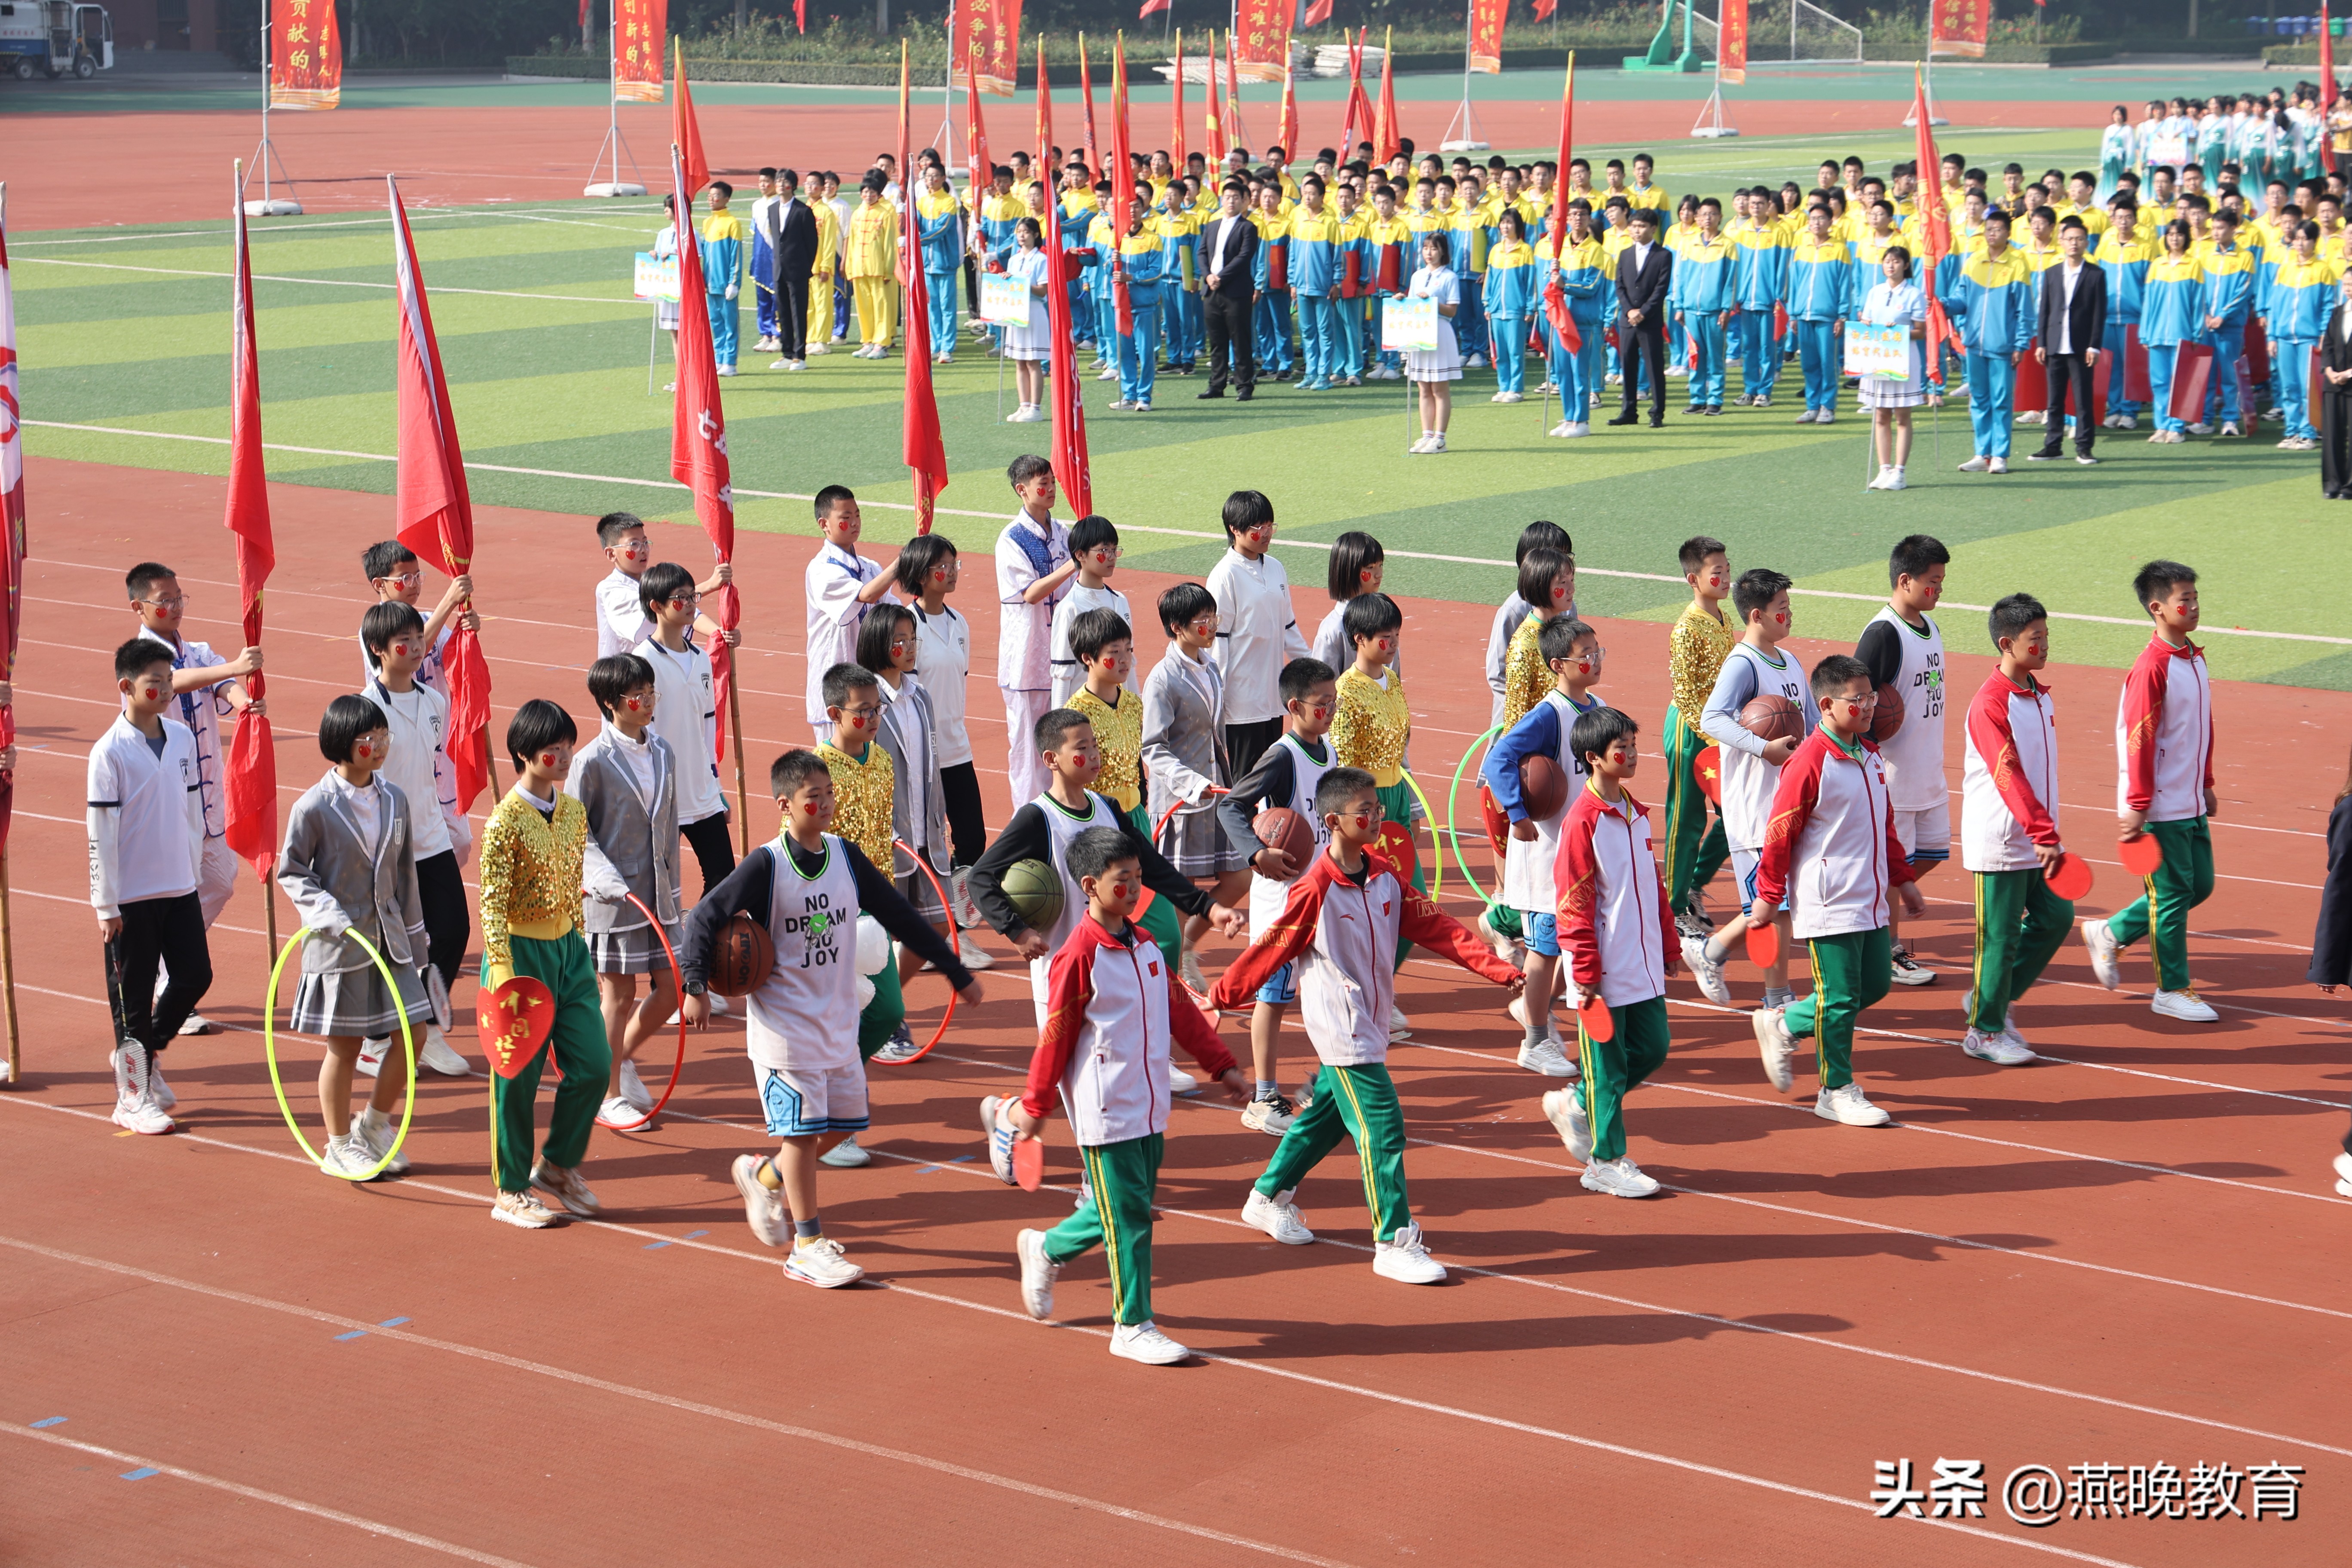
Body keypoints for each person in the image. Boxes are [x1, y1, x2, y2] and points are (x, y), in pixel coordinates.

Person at [1214, 767, 1525, 1283]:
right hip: (1342, 1027)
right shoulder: (1314, 889)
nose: (1377, 817)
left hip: (1373, 1023)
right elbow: (1271, 950)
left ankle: (1267, 1196)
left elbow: (1440, 928)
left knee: (1326, 1119)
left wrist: (1501, 970)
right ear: (1334, 821)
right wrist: (1221, 997)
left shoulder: (1384, 876)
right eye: (1366, 811)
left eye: (1378, 808)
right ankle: (1394, 1241)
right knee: (1383, 1125)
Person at [692, 749, 977, 1287]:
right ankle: (807, 1246)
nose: (825, 804)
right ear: (785, 804)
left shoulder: (846, 857)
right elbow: (706, 916)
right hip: (784, 1026)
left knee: (844, 1126)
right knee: (803, 1136)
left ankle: (764, 1176)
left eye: (829, 795)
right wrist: (694, 985)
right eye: (813, 797)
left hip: (837, 1019)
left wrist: (954, 970)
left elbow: (900, 915)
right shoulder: (766, 865)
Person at [992, 826, 1246, 1364]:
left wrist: (1222, 1065)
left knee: (1125, 1207)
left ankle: (1046, 1247)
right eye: (1122, 880)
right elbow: (1055, 1038)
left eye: (1137, 877)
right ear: (1090, 886)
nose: (1133, 889)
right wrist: (1036, 1107)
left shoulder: (1147, 947)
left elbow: (1182, 1013)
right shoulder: (1078, 956)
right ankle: (1132, 1325)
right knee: (1130, 1219)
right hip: (1106, 1108)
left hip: (1150, 1106)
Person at [968, 708, 1241, 1029]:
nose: (1094, 755)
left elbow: (1154, 867)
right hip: (1063, 973)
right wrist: (1017, 931)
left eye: (1095, 745)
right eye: (1082, 748)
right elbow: (980, 877)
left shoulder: (1108, 809)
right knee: (1067, 1062)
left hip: (1113, 967)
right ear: (1052, 759)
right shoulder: (1037, 819)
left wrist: (1209, 908)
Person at [1749, 656, 1927, 1128]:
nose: (1869, 706)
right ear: (1827, 705)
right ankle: (1836, 1089)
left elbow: (1885, 826)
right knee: (1841, 997)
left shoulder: (1870, 755)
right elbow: (1780, 831)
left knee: (1875, 985)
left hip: (1870, 897)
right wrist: (1768, 894)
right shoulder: (1811, 761)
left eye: (1871, 696)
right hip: (1829, 900)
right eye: (1858, 699)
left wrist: (1904, 879)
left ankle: (1784, 1023)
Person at [278, 695, 438, 1180]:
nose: (380, 747)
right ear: (342, 744)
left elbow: (405, 876)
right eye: (370, 739)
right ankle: (339, 1145)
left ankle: (373, 1127)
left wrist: (418, 942)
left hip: (390, 940)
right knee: (345, 1048)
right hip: (340, 945)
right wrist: (326, 912)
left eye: (384, 736)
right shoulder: (314, 806)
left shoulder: (395, 800)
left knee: (414, 1034)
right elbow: (292, 871)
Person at [477, 701, 610, 1229]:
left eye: (568, 745)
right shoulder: (504, 821)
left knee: (595, 1066)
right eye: (552, 748)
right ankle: (510, 1189)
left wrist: (582, 944)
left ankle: (557, 1166)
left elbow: (573, 884)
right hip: (520, 955)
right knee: (517, 1079)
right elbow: (491, 901)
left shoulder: (574, 813)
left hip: (569, 951)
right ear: (524, 754)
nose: (564, 755)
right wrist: (502, 967)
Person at [1547, 705, 1680, 1197]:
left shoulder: (1636, 815)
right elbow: (1573, 903)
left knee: (1653, 1048)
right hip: (1600, 971)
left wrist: (1669, 944)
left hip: (1641, 963)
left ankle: (1578, 1102)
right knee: (1608, 1067)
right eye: (1621, 748)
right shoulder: (1583, 822)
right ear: (1594, 758)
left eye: (1634, 744)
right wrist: (1584, 971)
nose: (1633, 754)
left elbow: (1653, 889)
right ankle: (1605, 1162)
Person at [2082, 560, 2219, 1023]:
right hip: (2160, 805)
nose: (2194, 606)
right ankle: (2172, 989)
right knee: (2174, 895)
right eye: (2185, 600)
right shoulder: (2152, 668)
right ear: (2158, 608)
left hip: (2190, 798)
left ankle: (2111, 932)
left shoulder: (2193, 657)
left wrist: (2206, 782)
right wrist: (2139, 805)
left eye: (2196, 598)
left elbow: (2201, 727)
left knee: (2198, 885)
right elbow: (2137, 739)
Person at [126, 561, 256, 1038]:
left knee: (220, 878)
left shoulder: (198, 651)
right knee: (177, 890)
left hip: (207, 796)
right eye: (165, 601)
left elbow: (222, 686)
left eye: (179, 598)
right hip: (164, 799)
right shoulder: (140, 657)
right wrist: (233, 668)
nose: (175, 607)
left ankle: (170, 967)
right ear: (139, 607)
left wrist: (243, 701)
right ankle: (171, 983)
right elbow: (174, 683)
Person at [89, 638, 211, 1135]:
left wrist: (193, 868)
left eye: (169, 680)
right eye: (154, 682)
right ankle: (132, 1098)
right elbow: (100, 833)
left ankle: (144, 1053)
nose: (166, 689)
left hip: (179, 886)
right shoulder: (109, 752)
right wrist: (105, 903)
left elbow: (191, 808)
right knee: (133, 1001)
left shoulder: (181, 738)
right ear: (127, 687)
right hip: (131, 898)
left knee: (195, 976)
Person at [1482, 616, 1608, 1079]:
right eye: (1585, 654)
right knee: (1546, 950)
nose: (1595, 660)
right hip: (1547, 854)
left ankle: (1536, 1010)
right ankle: (1535, 1042)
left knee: (1583, 942)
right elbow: (1499, 758)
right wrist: (1518, 814)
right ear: (1559, 665)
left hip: (1586, 851)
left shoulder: (1599, 708)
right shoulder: (1549, 715)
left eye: (1598, 650)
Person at [356, 602, 474, 1079]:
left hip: (429, 835)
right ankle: (374, 1042)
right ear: (378, 650)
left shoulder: (434, 702)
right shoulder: (367, 709)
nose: (414, 646)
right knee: (389, 945)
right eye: (402, 641)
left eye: (418, 638)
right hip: (383, 844)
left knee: (453, 931)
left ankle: (424, 1029)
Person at [1687, 570, 1815, 1011]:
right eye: (1782, 610)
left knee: (1780, 903)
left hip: (1790, 803)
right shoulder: (1743, 663)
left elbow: (1812, 724)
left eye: (1789, 608)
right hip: (1756, 809)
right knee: (1773, 906)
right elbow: (1712, 718)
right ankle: (1777, 999)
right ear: (1757, 615)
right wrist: (1764, 748)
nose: (1789, 616)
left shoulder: (1791, 661)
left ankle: (1711, 951)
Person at [569, 654, 684, 1128]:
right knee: (617, 994)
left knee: (673, 989)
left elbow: (669, 826)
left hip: (660, 896)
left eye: (651, 692)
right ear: (610, 703)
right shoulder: (590, 762)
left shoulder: (664, 752)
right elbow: (576, 835)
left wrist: (675, 889)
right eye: (638, 695)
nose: (649, 702)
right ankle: (607, 1092)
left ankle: (618, 1059)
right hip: (614, 899)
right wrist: (604, 879)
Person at [1957, 594, 2067, 1067]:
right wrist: (2043, 832)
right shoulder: (1990, 704)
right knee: (1999, 940)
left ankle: (1992, 1000)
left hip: (2036, 838)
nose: (2045, 644)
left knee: (2056, 918)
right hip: (2002, 840)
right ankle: (1983, 1032)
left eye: (2046, 635)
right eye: (2035, 638)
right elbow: (2008, 774)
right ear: (2007, 644)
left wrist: (2046, 832)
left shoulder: (2039, 695)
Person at [858, 606, 969, 1066]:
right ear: (879, 643)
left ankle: (884, 1006)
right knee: (881, 937)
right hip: (886, 841)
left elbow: (932, 764)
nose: (909, 647)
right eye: (899, 640)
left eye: (912, 639)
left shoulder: (920, 696)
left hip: (926, 834)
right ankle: (887, 1019)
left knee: (937, 927)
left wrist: (938, 819)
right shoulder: (864, 700)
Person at [1063, 610, 1186, 980]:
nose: (1125, 660)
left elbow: (1138, 764)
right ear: (1088, 658)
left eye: (1129, 650)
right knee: (1107, 934)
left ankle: (1161, 1002)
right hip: (1099, 829)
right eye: (1114, 652)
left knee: (1165, 933)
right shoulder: (1074, 716)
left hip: (1137, 824)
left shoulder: (1134, 705)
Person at [1141, 582, 1246, 998]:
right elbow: (1153, 748)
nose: (1211, 626)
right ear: (1177, 627)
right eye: (1202, 620)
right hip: (1181, 801)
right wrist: (1192, 783)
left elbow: (1217, 732)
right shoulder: (1162, 679)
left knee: (1239, 877)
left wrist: (1228, 783)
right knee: (1179, 891)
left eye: (1212, 617)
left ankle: (1186, 949)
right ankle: (1171, 973)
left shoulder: (1211, 666)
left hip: (1216, 792)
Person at [1853, 534, 1949, 988]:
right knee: (1895, 867)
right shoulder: (1883, 634)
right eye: (1933, 581)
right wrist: (1866, 752)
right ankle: (1888, 951)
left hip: (1928, 772)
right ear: (1905, 580)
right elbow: (1853, 697)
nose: (1939, 589)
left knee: (1932, 853)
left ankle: (1871, 907)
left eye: (1942, 581)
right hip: (1893, 777)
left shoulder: (1931, 628)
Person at [895, 534, 991, 959]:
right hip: (919, 755)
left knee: (972, 841)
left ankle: (953, 925)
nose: (952, 572)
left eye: (955, 564)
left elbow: (958, 683)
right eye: (943, 566)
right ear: (921, 574)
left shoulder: (960, 623)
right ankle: (927, 932)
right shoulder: (906, 626)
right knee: (924, 844)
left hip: (956, 749)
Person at [635, 562, 735, 900]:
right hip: (662, 795)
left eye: (693, 596)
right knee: (657, 887)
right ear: (656, 606)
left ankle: (697, 933)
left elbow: (707, 725)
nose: (691, 604)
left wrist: (715, 785)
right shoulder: (643, 662)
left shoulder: (701, 659)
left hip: (701, 792)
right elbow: (641, 735)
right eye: (681, 598)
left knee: (724, 880)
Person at [1206, 490, 1310, 786]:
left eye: (1269, 526)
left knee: (1272, 781)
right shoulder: (1225, 575)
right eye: (1257, 528)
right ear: (1234, 530)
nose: (1266, 534)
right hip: (1242, 704)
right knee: (1247, 783)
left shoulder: (1276, 568)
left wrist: (1315, 670)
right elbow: (1217, 643)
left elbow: (1289, 628)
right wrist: (1217, 698)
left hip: (1273, 699)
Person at [1663, 536, 1735, 937]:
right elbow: (1688, 694)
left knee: (1736, 815)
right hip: (1691, 731)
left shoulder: (1724, 619)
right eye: (1717, 572)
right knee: (1686, 821)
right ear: (1694, 579)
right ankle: (1674, 911)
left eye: (1728, 570)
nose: (1726, 578)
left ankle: (1693, 886)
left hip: (1720, 731)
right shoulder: (1686, 629)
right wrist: (1714, 739)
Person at [996, 455, 1076, 803]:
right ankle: (1029, 821)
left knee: (1067, 746)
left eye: (1053, 482)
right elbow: (1030, 593)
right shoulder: (1012, 540)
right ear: (1022, 490)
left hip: (1064, 658)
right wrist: (1074, 563)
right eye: (1042, 484)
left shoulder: (1064, 533)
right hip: (1027, 665)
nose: (1051, 489)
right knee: (1030, 753)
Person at [802, 485, 895, 743]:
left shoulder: (870, 568)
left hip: (868, 687)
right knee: (836, 763)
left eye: (857, 515)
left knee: (870, 761)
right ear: (824, 524)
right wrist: (902, 564)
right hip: (835, 686)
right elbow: (867, 595)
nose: (855, 523)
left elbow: (893, 613)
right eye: (846, 517)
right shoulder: (821, 570)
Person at [1951, 210, 2035, 473]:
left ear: (2008, 233)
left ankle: (2000, 455)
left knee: (2001, 401)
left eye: (1998, 230)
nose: (1992, 234)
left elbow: (2025, 310)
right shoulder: (1974, 261)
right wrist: (1942, 305)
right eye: (1989, 229)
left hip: (2002, 346)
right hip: (1975, 344)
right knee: (1979, 399)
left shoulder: (2017, 262)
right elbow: (1962, 299)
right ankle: (1982, 453)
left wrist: (2020, 344)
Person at [592, 511, 730, 662]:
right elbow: (654, 614)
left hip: (653, 670)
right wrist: (710, 585)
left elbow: (688, 611)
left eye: (645, 543)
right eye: (634, 545)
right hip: (622, 673)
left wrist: (721, 634)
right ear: (611, 554)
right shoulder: (610, 590)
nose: (643, 550)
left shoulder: (653, 581)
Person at [2030, 217, 2109, 465]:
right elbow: (2045, 310)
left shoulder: (2096, 274)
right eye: (2070, 239)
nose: (2074, 243)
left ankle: (2084, 448)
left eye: (2079, 239)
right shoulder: (2052, 273)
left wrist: (2094, 345)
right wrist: (2042, 343)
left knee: (2083, 400)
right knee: (2054, 400)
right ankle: (2052, 446)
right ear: (2061, 242)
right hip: (2055, 345)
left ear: (2086, 243)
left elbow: (2099, 314)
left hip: (2081, 347)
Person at [358, 539, 476, 700]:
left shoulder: (428, 620)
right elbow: (404, 662)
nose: (415, 584)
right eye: (406, 578)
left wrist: (467, 631)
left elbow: (458, 660)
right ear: (379, 584)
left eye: (417, 576)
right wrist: (449, 601)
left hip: (434, 714)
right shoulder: (373, 628)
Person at [1858, 245, 1930, 490]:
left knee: (1902, 416)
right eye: (1887, 261)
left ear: (1906, 265)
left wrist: (1899, 332)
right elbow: (1866, 320)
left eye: (1897, 261)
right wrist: (1866, 323)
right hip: (1878, 358)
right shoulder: (1875, 292)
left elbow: (1920, 331)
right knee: (1880, 415)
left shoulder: (1914, 294)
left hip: (1902, 360)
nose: (1891, 266)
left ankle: (1900, 472)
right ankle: (1884, 469)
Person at [1047, 515, 1133, 706]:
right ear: (1080, 555)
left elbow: (1130, 663)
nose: (1112, 557)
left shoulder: (1120, 601)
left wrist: (1137, 710)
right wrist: (1060, 720)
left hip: (1118, 711)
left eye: (1114, 550)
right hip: (1083, 711)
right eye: (1104, 550)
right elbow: (1062, 673)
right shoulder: (1069, 608)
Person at [2265, 220, 2332, 453]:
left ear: (2315, 241)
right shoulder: (2285, 268)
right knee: (2289, 388)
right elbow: (2274, 306)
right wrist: (2272, 336)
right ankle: (2291, 431)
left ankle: (2307, 433)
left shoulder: (2323, 270)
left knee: (2308, 389)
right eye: (2297, 239)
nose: (2300, 244)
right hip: (2284, 338)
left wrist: (2323, 334)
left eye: (2305, 239)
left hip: (2309, 338)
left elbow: (2328, 306)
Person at [1784, 202, 1850, 425]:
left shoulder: (1840, 250)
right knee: (1809, 364)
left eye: (1822, 219)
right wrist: (1793, 315)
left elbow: (1845, 284)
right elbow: (1794, 284)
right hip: (1803, 316)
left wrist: (1842, 316)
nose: (1817, 223)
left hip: (1828, 317)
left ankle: (1828, 407)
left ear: (1830, 222)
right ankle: (1812, 406)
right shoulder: (1801, 249)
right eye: (1813, 219)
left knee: (1827, 363)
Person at [2140, 221, 2205, 444]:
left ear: (2186, 238)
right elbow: (2149, 301)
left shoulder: (2194, 265)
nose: (2175, 239)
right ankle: (2162, 426)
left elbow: (2198, 302)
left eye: (2179, 234)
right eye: (2170, 234)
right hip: (2157, 333)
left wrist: (2196, 333)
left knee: (2180, 383)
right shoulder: (2157, 265)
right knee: (2159, 383)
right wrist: (2145, 333)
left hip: (2182, 333)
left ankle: (2177, 427)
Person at [1197, 181, 1261, 399]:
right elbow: (1202, 253)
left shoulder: (1248, 227)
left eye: (1236, 197)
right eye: (1227, 197)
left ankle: (1244, 385)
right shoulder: (1212, 225)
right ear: (1221, 200)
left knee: (1240, 340)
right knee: (1217, 341)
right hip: (1211, 291)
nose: (1231, 201)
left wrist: (1221, 278)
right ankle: (1216, 385)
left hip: (1236, 292)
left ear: (1244, 201)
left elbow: (1244, 257)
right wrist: (1208, 276)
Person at [1402, 233, 1463, 453]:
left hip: (1439, 331)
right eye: (1426, 248)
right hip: (1419, 332)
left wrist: (1432, 302)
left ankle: (1440, 438)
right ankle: (1426, 435)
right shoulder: (1417, 276)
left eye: (1434, 248)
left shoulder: (1449, 277)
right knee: (1423, 387)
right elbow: (1411, 305)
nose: (1429, 253)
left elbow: (1452, 311)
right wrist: (1401, 301)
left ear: (1443, 251)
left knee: (1439, 388)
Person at [1109, 196, 1167, 412]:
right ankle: (1129, 395)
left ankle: (1144, 397)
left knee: (1146, 354)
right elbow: (1109, 270)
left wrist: (1131, 277)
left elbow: (1156, 272)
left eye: (1136, 207)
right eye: (1129, 208)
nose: (1132, 211)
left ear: (1144, 209)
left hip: (1145, 305)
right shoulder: (1118, 238)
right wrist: (1112, 261)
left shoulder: (1153, 238)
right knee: (1125, 352)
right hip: (1123, 305)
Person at [1483, 207, 1538, 403]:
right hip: (1496, 309)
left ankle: (1516, 389)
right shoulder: (1495, 250)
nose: (1505, 227)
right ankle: (1503, 387)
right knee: (1500, 352)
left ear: (1517, 226)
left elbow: (1531, 282)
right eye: (1503, 222)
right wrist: (1487, 303)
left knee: (1516, 351)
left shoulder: (1525, 250)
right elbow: (1489, 279)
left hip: (1517, 309)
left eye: (1510, 223)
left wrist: (1530, 307)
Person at [766, 168, 819, 371]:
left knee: (798, 313)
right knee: (783, 313)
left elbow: (812, 244)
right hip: (779, 270)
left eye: (785, 181)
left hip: (798, 270)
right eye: (778, 181)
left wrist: (805, 266)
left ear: (793, 186)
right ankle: (787, 353)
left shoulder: (803, 211)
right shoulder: (772, 209)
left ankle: (800, 355)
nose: (781, 184)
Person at [1000, 216, 1052, 420]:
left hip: (1034, 312)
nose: (1022, 236)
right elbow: (1010, 287)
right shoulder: (1014, 260)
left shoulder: (1041, 259)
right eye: (1019, 232)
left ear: (1036, 235)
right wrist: (1006, 281)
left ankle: (1035, 408)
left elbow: (1043, 291)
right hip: (1016, 313)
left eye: (1026, 232)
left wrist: (1022, 284)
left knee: (1033, 362)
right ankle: (1023, 406)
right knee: (1019, 362)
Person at [844, 172, 899, 359]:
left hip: (878, 268)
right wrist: (850, 268)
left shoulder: (886, 213)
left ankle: (881, 343)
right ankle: (867, 341)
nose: (869, 195)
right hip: (859, 268)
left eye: (872, 192)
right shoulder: (857, 214)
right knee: (864, 307)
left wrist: (888, 270)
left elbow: (890, 244)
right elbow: (852, 242)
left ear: (879, 193)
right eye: (865, 192)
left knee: (881, 306)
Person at [700, 181, 746, 375]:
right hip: (710, 285)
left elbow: (736, 256)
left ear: (726, 199)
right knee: (716, 323)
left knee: (730, 324)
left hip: (726, 284)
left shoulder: (732, 223)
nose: (711, 199)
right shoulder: (707, 223)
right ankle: (719, 359)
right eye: (710, 196)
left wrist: (734, 283)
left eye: (716, 196)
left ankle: (730, 362)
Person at [2323, 268, 2352, 493]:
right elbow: (2328, 346)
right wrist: (2330, 372)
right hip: (2333, 384)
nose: (2348, 289)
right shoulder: (2337, 313)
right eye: (2345, 285)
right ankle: (2333, 483)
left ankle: (2350, 485)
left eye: (2351, 284)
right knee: (2332, 435)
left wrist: (2348, 374)